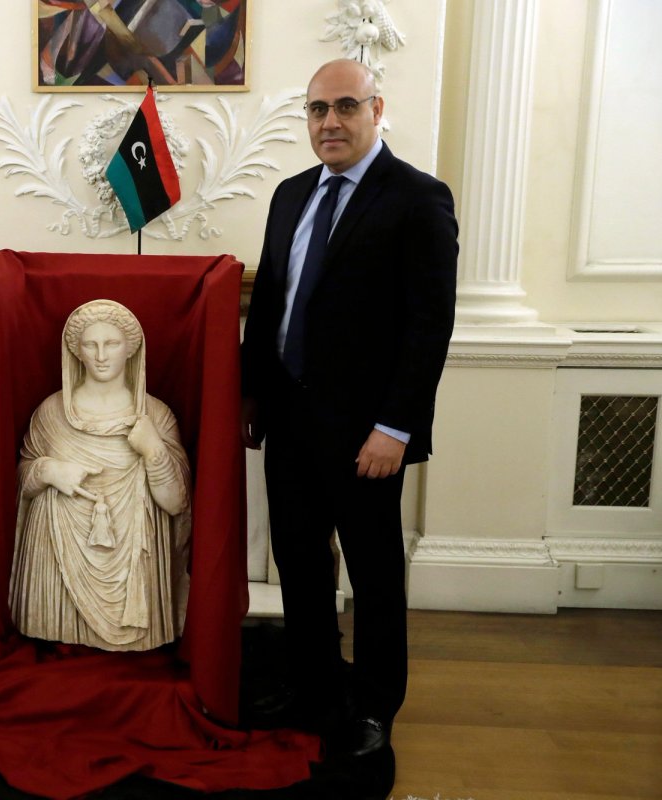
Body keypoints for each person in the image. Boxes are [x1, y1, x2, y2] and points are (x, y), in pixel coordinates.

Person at [240, 58, 458, 773]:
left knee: (372, 575)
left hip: (367, 435)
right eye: (315, 110)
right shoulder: (288, 195)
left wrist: (395, 428)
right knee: (298, 564)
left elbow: (428, 326)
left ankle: (371, 706)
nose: (328, 122)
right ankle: (312, 687)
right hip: (290, 421)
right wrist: (251, 396)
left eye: (344, 107)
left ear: (376, 109)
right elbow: (270, 304)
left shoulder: (418, 199)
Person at [10, 300, 191, 651]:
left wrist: (154, 451)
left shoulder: (154, 415)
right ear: (77, 352)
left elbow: (175, 503)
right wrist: (48, 470)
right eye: (91, 345)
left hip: (133, 550)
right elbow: (23, 482)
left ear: (130, 349)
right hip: (57, 545)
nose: (101, 355)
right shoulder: (51, 413)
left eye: (112, 344)